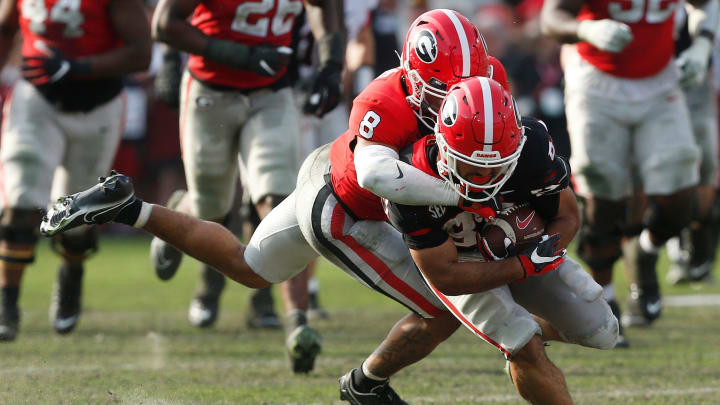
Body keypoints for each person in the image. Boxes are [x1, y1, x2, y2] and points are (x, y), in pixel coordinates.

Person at [41, 8, 496, 403]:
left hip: (312, 152)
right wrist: (463, 195)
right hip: (339, 196)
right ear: (414, 74)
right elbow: (377, 176)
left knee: (250, 265)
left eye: (467, 84)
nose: (455, 99)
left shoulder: (487, 89)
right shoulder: (383, 98)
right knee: (442, 307)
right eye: (443, 88)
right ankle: (361, 377)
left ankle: (130, 207)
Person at [381, 77, 617, 405]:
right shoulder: (410, 175)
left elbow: (568, 217)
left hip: (521, 251)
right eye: (473, 166)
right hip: (461, 262)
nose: (486, 178)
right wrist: (522, 266)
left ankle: (526, 328)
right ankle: (519, 344)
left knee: (602, 331)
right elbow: (444, 276)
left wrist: (540, 248)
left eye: (498, 166)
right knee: (523, 343)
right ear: (444, 145)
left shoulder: (531, 146)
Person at [147, 0, 345, 372]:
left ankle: (296, 323)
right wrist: (239, 55)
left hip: (272, 92)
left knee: (280, 203)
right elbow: (164, 24)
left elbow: (323, 7)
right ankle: (181, 210)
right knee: (211, 208)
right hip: (211, 91)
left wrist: (332, 65)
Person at [540, 0, 714, 346]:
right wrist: (586, 29)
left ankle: (646, 251)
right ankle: (604, 300)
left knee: (681, 195)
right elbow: (551, 18)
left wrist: (703, 44)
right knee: (605, 199)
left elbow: (705, 5)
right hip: (596, 78)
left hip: (660, 79)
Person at [0, 0, 152, 342]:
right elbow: (6, 27)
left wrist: (77, 66)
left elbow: (141, 53)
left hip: (97, 105)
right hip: (36, 98)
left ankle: (71, 274)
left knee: (78, 213)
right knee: (21, 201)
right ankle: (6, 303)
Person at [666, 2, 720, 285]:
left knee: (707, 173)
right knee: (674, 171)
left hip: (702, 86)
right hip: (663, 83)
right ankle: (680, 245)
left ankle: (698, 252)